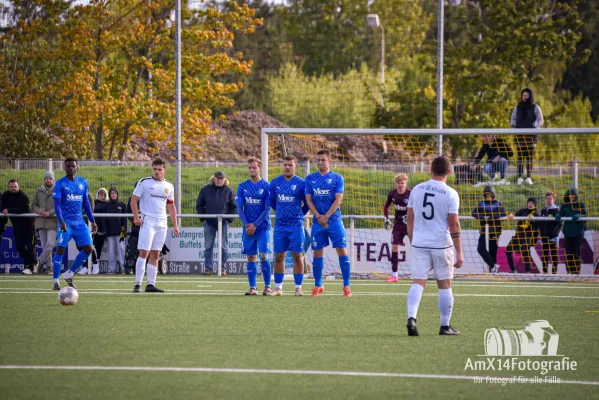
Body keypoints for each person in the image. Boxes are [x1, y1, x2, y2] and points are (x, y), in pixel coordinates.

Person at [406, 156, 463, 336]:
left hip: (419, 242)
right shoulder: (451, 193)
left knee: (418, 282)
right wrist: (459, 252)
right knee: (445, 284)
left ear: (430, 169)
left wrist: (413, 240)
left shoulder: (416, 189)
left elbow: (410, 218)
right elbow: (453, 224)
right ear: (449, 172)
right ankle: (444, 326)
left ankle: (411, 318)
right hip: (441, 244)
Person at [305, 149, 352, 297]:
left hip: (334, 220)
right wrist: (319, 216)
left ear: (329, 161)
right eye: (318, 160)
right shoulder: (310, 178)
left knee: (341, 250)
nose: (320, 163)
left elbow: (338, 199)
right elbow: (308, 200)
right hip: (318, 221)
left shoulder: (337, 178)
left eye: (323, 160)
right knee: (317, 251)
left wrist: (327, 216)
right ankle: (318, 285)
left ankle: (346, 286)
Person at [130, 157, 179, 292]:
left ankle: (150, 284)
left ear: (164, 171)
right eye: (155, 169)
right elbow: (134, 201)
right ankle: (137, 284)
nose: (157, 172)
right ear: (152, 169)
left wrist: (175, 225)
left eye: (159, 169)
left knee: (156, 254)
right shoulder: (144, 183)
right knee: (144, 252)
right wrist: (136, 217)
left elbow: (171, 206)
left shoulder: (169, 186)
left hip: (162, 223)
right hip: (148, 222)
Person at [51, 158, 97, 290]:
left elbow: (86, 203)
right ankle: (55, 280)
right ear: (65, 168)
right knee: (60, 248)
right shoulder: (60, 184)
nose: (71, 168)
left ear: (77, 167)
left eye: (73, 166)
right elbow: (57, 205)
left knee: (88, 248)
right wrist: (61, 221)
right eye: (68, 166)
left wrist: (92, 220)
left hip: (79, 222)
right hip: (66, 222)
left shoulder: (83, 182)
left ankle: (69, 273)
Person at [269, 155, 309, 296]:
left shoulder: (301, 183)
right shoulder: (275, 183)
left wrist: (299, 214)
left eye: (290, 165)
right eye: (285, 164)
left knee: (298, 256)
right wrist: (280, 212)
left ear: (295, 166)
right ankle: (278, 288)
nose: (287, 167)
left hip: (296, 225)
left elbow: (307, 203)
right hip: (280, 225)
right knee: (279, 256)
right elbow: (272, 201)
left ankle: (298, 287)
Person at [236, 157, 272, 296]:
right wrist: (247, 225)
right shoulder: (243, 186)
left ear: (260, 169)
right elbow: (240, 208)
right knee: (251, 257)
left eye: (254, 167)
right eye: (250, 167)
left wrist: (255, 225)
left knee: (263, 256)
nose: (252, 169)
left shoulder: (266, 187)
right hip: (248, 229)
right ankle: (252, 288)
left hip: (262, 228)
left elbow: (267, 209)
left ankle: (267, 286)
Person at [195, 171, 237, 276]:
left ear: (225, 179)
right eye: (217, 178)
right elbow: (199, 205)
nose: (219, 180)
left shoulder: (228, 191)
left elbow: (234, 207)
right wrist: (203, 217)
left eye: (221, 178)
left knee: (224, 246)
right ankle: (208, 268)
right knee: (208, 246)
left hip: (223, 223)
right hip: (209, 222)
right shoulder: (205, 190)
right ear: (213, 178)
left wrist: (229, 219)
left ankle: (222, 268)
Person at [1, 179, 38, 275]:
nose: (13, 188)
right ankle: (33, 263)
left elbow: (23, 209)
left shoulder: (23, 196)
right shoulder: (5, 195)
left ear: (18, 187)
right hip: (17, 226)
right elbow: (2, 207)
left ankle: (30, 266)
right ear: (8, 187)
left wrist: (9, 210)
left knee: (30, 247)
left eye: (15, 186)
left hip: (29, 225)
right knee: (19, 247)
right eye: (11, 187)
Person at [510, 88, 544, 185]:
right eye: (523, 95)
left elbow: (540, 120)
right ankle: (519, 177)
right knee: (520, 157)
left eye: (526, 95)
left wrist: (534, 125)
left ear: (530, 96)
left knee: (529, 157)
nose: (524, 97)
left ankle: (528, 177)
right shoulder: (517, 107)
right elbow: (512, 119)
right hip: (519, 136)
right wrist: (515, 124)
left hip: (531, 137)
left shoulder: (535, 107)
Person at [383, 173, 411, 282]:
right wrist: (386, 218)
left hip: (410, 224)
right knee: (394, 247)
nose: (400, 185)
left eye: (402, 183)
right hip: (398, 225)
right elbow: (386, 206)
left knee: (417, 248)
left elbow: (417, 207)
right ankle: (394, 275)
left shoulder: (411, 194)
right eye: (398, 183)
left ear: (406, 184)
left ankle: (420, 273)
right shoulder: (392, 194)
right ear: (396, 184)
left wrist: (409, 217)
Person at [471, 186, 506, 273]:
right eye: (486, 194)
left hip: (494, 230)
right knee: (480, 248)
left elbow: (503, 214)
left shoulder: (498, 203)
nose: (488, 196)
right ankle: (494, 266)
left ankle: (493, 270)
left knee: (492, 251)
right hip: (484, 230)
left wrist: (491, 217)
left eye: (490, 194)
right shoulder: (481, 203)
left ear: (493, 195)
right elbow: (474, 213)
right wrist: (483, 218)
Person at [31, 171, 58, 274]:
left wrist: (50, 213)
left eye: (50, 178)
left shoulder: (57, 190)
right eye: (47, 178)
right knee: (44, 246)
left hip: (52, 221)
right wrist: (38, 210)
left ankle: (40, 262)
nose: (48, 180)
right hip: (41, 221)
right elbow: (33, 204)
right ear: (44, 180)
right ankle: (49, 268)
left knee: (50, 244)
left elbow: (60, 205)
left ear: (53, 180)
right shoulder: (38, 191)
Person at [556, 188, 587, 274]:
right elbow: (560, 214)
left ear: (576, 196)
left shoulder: (581, 204)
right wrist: (558, 215)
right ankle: (569, 272)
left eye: (573, 195)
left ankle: (576, 272)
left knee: (576, 253)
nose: (572, 197)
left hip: (578, 233)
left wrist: (579, 215)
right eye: (570, 195)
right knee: (568, 253)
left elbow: (585, 216)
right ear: (568, 196)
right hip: (568, 233)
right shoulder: (565, 205)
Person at [506, 197, 539, 273]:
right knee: (508, 249)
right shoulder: (522, 211)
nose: (530, 204)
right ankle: (513, 269)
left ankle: (527, 271)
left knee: (525, 251)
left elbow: (537, 227)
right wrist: (511, 214)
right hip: (518, 235)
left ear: (535, 205)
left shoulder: (536, 214)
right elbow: (515, 214)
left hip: (527, 236)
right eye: (529, 203)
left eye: (532, 203)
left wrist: (534, 220)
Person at [104, 187, 127, 274]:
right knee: (111, 251)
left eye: (115, 193)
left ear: (117, 195)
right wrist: (105, 230)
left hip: (120, 233)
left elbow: (124, 220)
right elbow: (104, 219)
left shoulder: (122, 205)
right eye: (112, 193)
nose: (113, 195)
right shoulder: (106, 205)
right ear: (109, 195)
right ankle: (111, 268)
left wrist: (123, 231)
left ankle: (123, 268)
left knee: (121, 249)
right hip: (110, 232)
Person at [538, 192, 562, 274]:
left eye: (550, 198)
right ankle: (545, 273)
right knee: (544, 255)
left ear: (554, 200)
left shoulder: (557, 210)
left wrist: (554, 234)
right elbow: (541, 224)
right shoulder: (543, 210)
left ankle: (554, 273)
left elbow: (559, 224)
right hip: (544, 237)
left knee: (554, 255)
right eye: (547, 198)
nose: (548, 200)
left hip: (553, 237)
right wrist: (541, 234)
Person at [89, 188, 108, 275]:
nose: (102, 196)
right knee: (90, 246)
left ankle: (96, 265)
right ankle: (88, 266)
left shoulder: (107, 204)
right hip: (93, 228)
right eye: (100, 194)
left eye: (104, 195)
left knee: (98, 248)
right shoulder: (94, 203)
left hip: (102, 230)